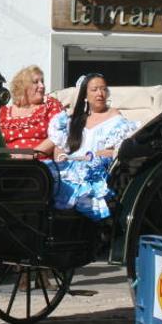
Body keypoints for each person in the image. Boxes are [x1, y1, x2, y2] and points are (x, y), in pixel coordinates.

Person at [47, 74, 137, 220]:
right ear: (85, 95)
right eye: (94, 90)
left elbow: (119, 150)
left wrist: (102, 154)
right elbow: (60, 147)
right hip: (71, 167)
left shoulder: (115, 117)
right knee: (45, 176)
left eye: (103, 89)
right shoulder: (74, 120)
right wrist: (60, 157)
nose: (100, 94)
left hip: (97, 171)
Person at [0, 65, 63, 159]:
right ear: (23, 87)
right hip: (6, 163)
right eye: (36, 82)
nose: (42, 86)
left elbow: (58, 136)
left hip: (37, 165)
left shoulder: (50, 106)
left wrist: (29, 155)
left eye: (42, 82)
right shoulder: (4, 112)